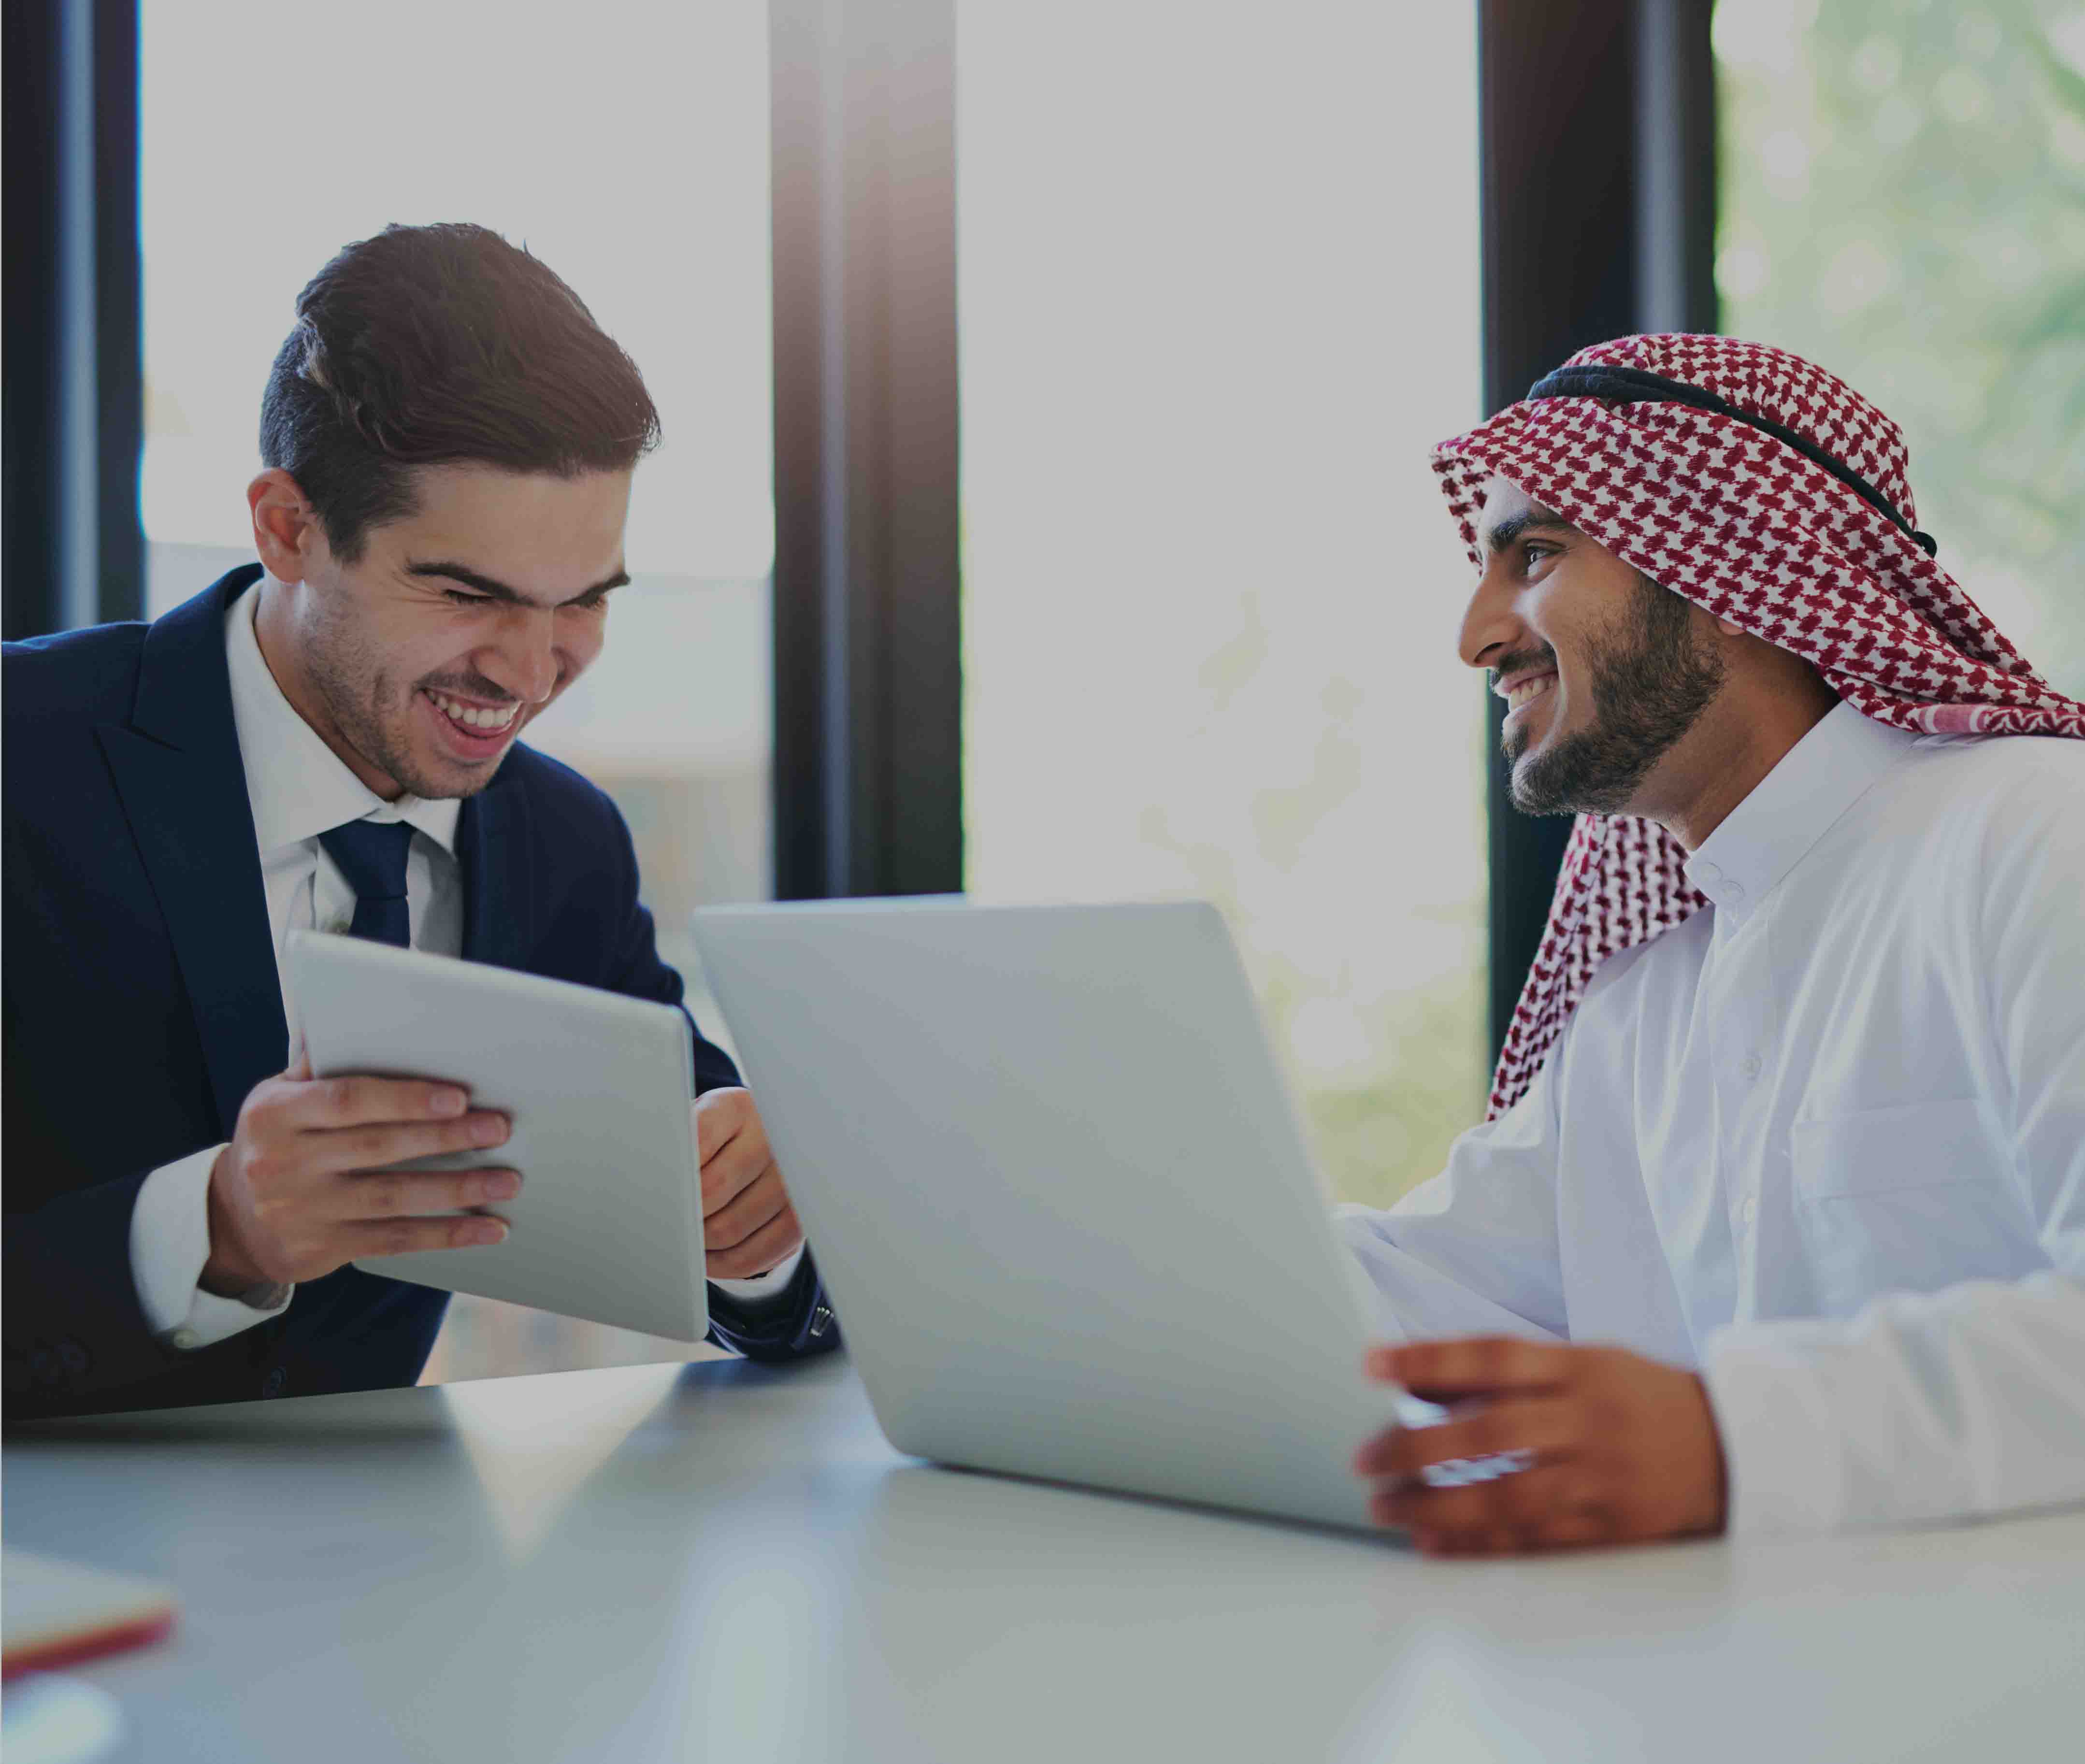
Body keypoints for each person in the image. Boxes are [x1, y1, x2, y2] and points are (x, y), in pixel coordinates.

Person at [4, 224, 837, 1420]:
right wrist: (215, 1227)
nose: (533, 673)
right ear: (287, 528)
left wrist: (759, 1234)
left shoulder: (563, 846)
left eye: (583, 602)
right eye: (463, 593)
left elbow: (774, 1288)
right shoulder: (26, 757)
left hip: (396, 1533)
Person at [1342, 334, 2085, 1553]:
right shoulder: (1643, 985)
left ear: (1734, 561)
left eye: (1534, 555)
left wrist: (1735, 1442)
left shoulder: (2035, 836)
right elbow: (1415, 1295)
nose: (1476, 635)